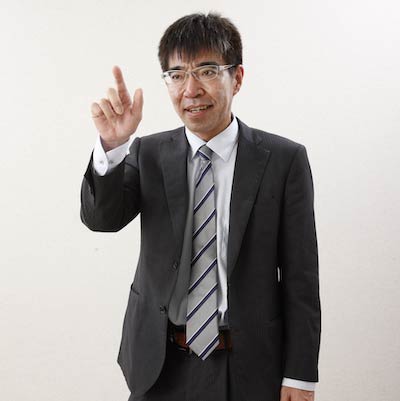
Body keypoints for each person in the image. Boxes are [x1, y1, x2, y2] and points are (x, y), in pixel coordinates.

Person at [80, 12, 321, 401]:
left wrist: (300, 375)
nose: (190, 89)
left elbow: (301, 278)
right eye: (177, 75)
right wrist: (113, 146)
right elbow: (102, 220)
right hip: (159, 365)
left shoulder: (283, 160)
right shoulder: (148, 153)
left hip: (250, 365)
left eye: (207, 71)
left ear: (237, 78)